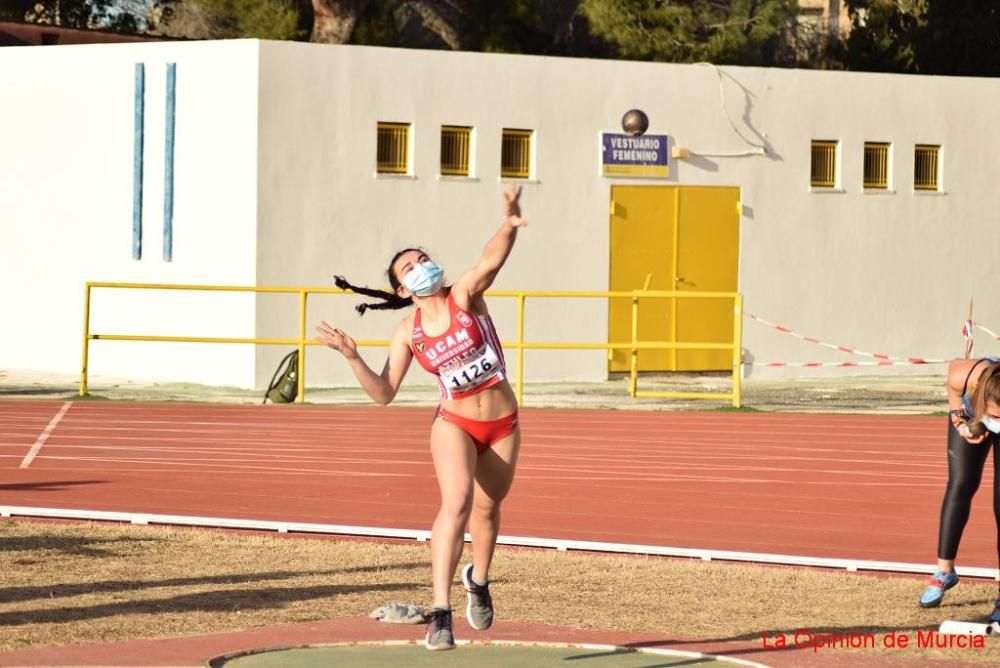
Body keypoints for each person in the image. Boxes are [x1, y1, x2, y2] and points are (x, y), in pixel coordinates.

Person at [315, 185, 527, 651]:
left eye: (422, 259)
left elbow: (490, 260)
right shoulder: (407, 332)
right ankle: (440, 613)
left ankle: (479, 579)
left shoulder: (465, 298)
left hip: (502, 422)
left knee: (489, 509)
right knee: (457, 503)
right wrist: (353, 357)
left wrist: (508, 223)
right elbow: (384, 393)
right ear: (401, 288)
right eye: (409, 267)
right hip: (453, 423)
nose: (421, 267)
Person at [920, 356, 1000, 623]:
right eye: (993, 414)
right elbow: (955, 403)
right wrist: (961, 425)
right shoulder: (962, 376)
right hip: (971, 411)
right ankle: (945, 571)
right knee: (960, 484)